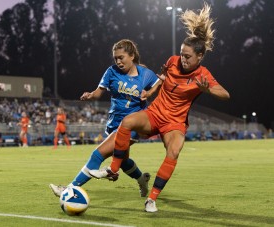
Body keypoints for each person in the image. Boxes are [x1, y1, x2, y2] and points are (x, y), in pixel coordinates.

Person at [91, 4, 230, 212]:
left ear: (199, 57)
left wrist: (207, 90)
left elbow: (225, 94)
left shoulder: (203, 75)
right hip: (155, 113)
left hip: (175, 122)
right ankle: (112, 170)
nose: (183, 58)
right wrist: (151, 92)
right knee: (127, 122)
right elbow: (163, 78)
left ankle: (152, 199)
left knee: (173, 152)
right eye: (182, 54)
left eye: (188, 56)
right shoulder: (173, 61)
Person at [49, 39, 161, 198]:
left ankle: (68, 190)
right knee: (123, 161)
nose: (118, 61)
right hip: (114, 122)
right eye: (116, 58)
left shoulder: (146, 75)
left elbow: (161, 83)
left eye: (121, 57)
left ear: (132, 55)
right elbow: (98, 92)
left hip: (132, 126)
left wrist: (150, 93)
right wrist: (90, 95)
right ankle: (141, 179)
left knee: (97, 154)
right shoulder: (111, 71)